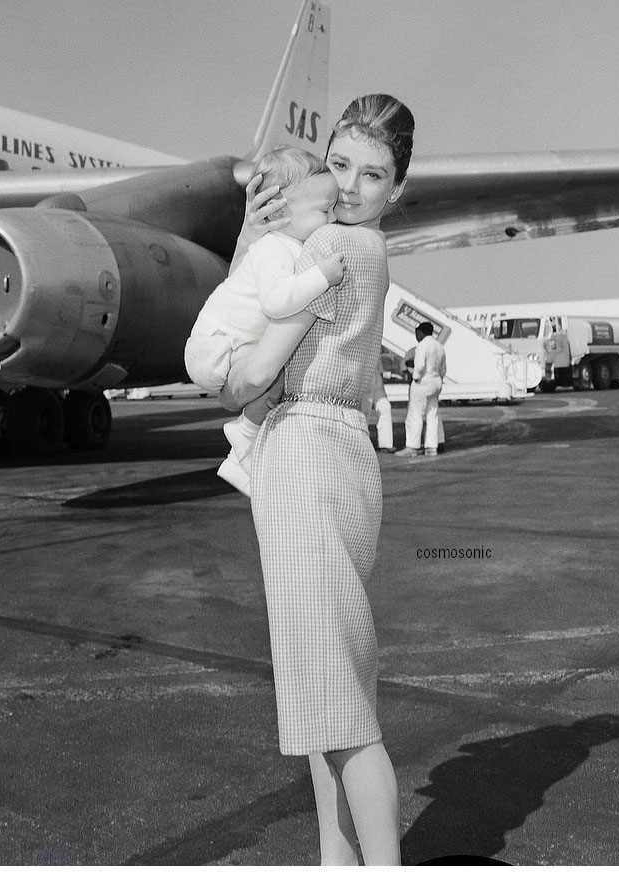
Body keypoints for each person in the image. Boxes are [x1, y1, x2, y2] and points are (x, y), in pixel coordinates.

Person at [219, 93, 414, 865]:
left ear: (396, 191)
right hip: (328, 450)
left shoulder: (343, 245)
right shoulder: (349, 245)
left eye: (374, 175)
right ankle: (337, 861)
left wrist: (249, 233)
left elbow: (250, 363)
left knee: (334, 701)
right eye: (339, 165)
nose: (351, 185)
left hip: (308, 452)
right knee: (326, 689)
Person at [184, 147, 344, 496]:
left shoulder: (287, 247)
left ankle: (243, 448)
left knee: (277, 379)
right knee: (274, 376)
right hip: (217, 345)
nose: (333, 219)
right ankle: (243, 437)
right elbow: (277, 302)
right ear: (282, 210)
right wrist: (324, 277)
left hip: (229, 344)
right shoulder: (273, 248)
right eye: (324, 210)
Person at [397, 321, 446, 458]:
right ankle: (432, 447)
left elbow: (419, 366)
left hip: (423, 382)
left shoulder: (422, 346)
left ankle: (412, 447)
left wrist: (416, 378)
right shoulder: (439, 346)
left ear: (420, 332)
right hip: (436, 381)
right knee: (432, 415)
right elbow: (443, 369)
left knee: (415, 415)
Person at [363, 366, 394, 453]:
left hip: (375, 377)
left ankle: (385, 444)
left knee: (385, 407)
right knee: (364, 411)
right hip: (362, 375)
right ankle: (362, 443)